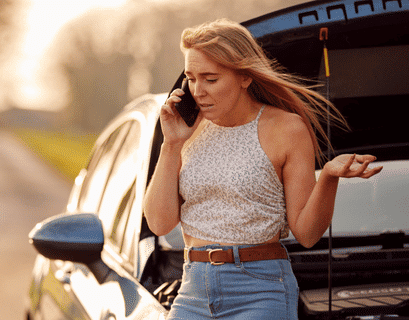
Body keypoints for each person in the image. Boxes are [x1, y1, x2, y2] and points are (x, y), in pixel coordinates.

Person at [143, 18, 383, 319]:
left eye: (210, 79)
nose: (198, 91)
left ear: (245, 77)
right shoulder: (185, 130)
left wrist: (329, 178)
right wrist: (171, 145)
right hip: (193, 292)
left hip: (261, 291)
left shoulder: (286, 128)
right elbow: (159, 223)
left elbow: (307, 234)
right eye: (191, 78)